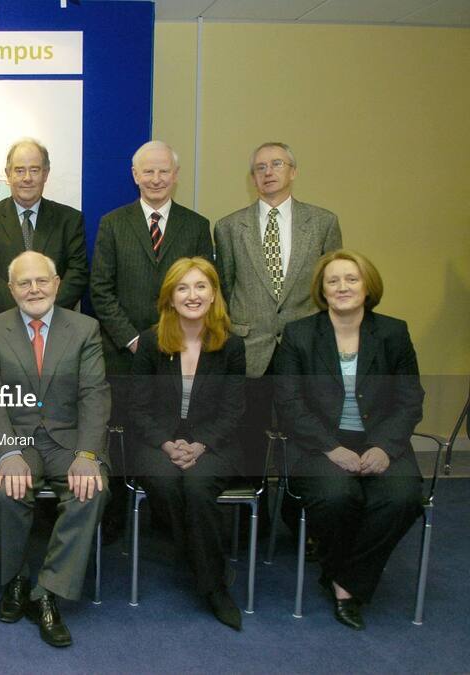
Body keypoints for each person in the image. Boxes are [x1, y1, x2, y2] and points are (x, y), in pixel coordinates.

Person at [274, 250, 423, 631]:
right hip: (319, 444)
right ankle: (348, 585)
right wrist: (331, 447)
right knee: (338, 497)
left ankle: (344, 579)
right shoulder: (299, 335)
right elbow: (288, 402)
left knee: (402, 498)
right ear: (321, 291)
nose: (343, 287)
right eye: (333, 281)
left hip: (381, 441)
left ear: (367, 285)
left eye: (351, 279)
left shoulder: (393, 332)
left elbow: (409, 399)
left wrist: (384, 447)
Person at [0, 251, 110, 648]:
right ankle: (15, 579)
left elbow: (94, 396)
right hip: (14, 438)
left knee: (92, 491)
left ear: (56, 284)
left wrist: (87, 456)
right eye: (24, 282)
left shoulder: (85, 329)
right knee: (5, 491)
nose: (34, 289)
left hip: (69, 440)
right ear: (11, 289)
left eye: (42, 281)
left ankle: (46, 591)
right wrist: (7, 454)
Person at [90, 140, 213, 535]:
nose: (156, 179)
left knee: (169, 437)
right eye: (148, 171)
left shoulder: (196, 226)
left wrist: (171, 340)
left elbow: (204, 289)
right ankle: (115, 522)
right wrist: (134, 340)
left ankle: (165, 525)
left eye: (164, 171)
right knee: (122, 438)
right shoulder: (113, 223)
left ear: (176, 175)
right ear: (135, 176)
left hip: (180, 354)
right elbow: (101, 291)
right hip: (126, 355)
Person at [126, 257, 247, 630]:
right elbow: (137, 404)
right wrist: (166, 443)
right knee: (163, 480)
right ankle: (210, 571)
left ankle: (210, 586)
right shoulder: (150, 341)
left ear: (213, 295)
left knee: (196, 484)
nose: (191, 295)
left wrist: (201, 445)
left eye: (200, 287)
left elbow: (234, 408)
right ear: (170, 297)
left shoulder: (232, 345)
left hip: (214, 442)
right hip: (157, 440)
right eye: (182, 288)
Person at [214, 142, 341, 476]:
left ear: (293, 171)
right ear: (252, 178)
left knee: (305, 437)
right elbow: (225, 288)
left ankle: (296, 515)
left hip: (305, 347)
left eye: (277, 164)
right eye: (260, 167)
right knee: (248, 438)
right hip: (250, 347)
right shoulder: (229, 228)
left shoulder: (323, 223)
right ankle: (253, 519)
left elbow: (334, 289)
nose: (268, 172)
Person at [0, 139, 88, 320]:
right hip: (1, 325)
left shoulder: (70, 220)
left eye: (34, 170)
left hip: (56, 324)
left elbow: (77, 273)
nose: (27, 178)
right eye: (19, 170)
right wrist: (24, 313)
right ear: (8, 174)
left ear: (46, 174)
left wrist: (44, 311)